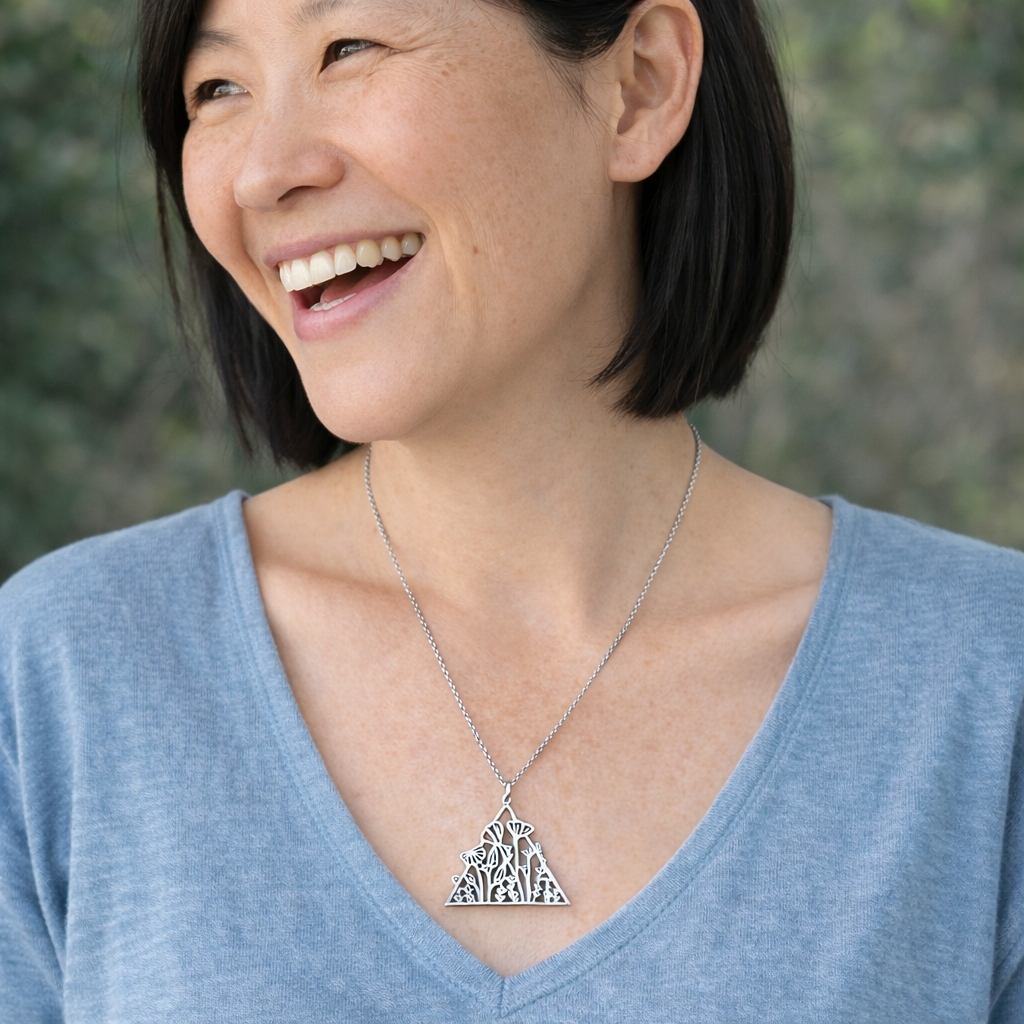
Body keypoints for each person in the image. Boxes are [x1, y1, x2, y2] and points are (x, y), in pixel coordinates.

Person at [1, 0, 1021, 1019]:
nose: (265, 171)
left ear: (640, 87)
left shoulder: (983, 685)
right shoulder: (65, 677)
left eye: (347, 47)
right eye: (215, 88)